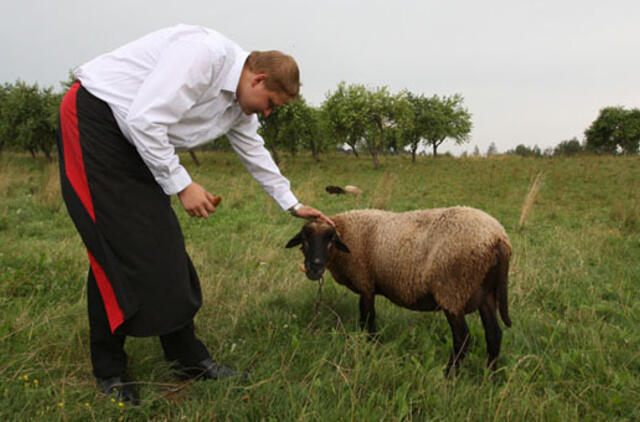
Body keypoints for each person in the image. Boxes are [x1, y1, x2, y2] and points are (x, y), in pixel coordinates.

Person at [56, 23, 334, 405]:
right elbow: (145, 119)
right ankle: (110, 370)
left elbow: (253, 149)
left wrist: (292, 202)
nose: (267, 113)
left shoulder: (239, 103)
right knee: (116, 247)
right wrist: (182, 185)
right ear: (259, 79)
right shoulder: (203, 56)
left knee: (163, 242)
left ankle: (186, 357)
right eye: (270, 104)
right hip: (96, 119)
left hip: (136, 138)